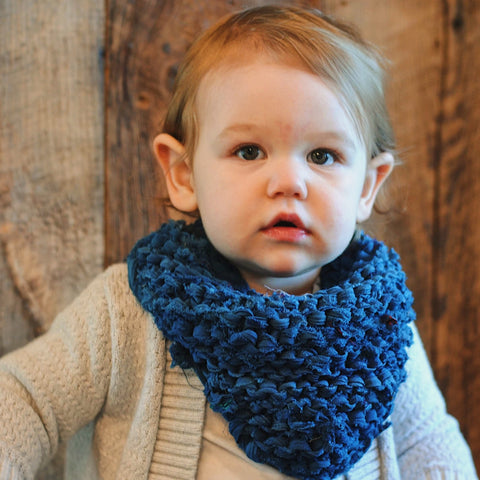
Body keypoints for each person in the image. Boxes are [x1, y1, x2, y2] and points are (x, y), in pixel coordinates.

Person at [0, 5, 477, 480]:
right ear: (184, 175)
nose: (290, 181)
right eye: (249, 151)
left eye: (322, 155)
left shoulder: (384, 322)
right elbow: (23, 397)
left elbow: (426, 440)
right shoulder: (126, 312)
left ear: (368, 187)